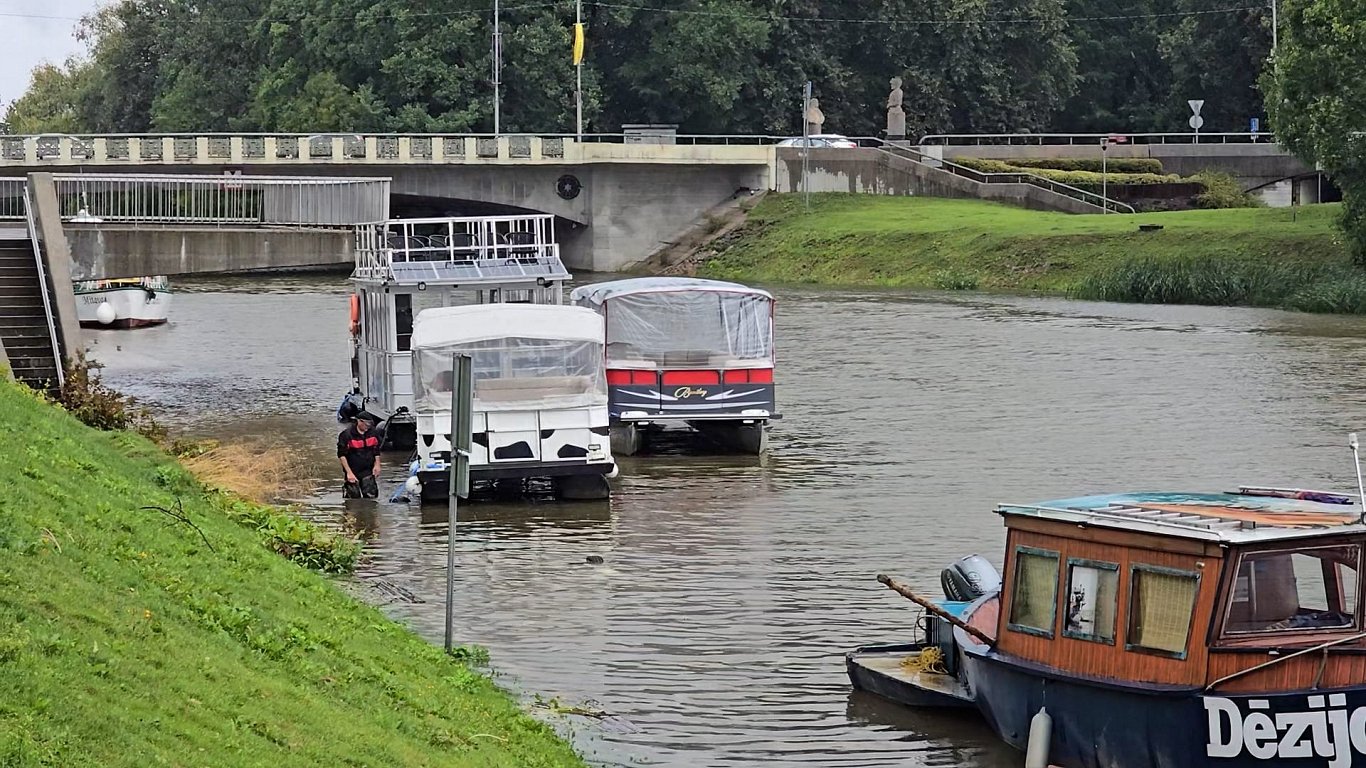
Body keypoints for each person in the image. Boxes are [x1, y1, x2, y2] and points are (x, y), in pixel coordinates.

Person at [338, 411, 382, 498]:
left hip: (368, 469)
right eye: (366, 424)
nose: (368, 427)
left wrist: (377, 465)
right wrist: (349, 473)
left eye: (370, 424)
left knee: (371, 497)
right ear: (359, 421)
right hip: (353, 469)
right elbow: (341, 455)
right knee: (353, 499)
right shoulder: (346, 435)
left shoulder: (373, 433)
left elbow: (376, 450)